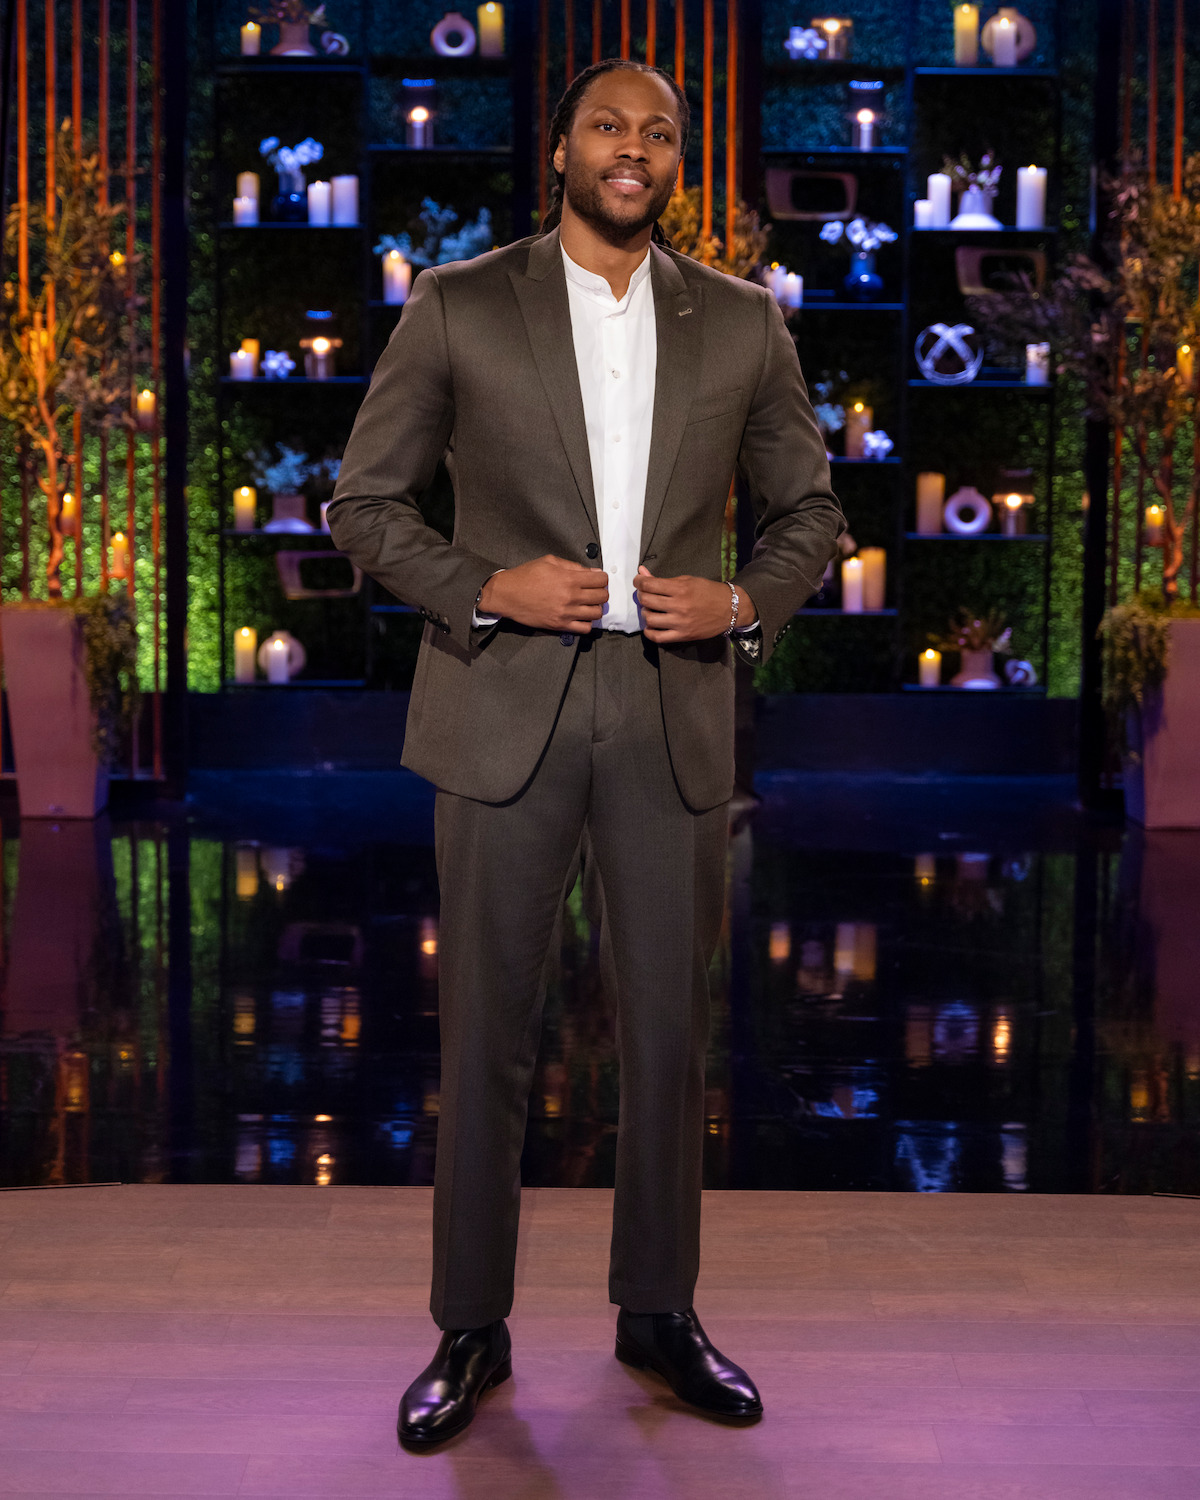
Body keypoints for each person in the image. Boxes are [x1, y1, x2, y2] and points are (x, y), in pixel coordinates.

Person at [327, 57, 844, 1446]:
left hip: (671, 708)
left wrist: (742, 602)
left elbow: (811, 515)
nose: (634, 149)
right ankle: (469, 1330)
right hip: (503, 701)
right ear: (560, 147)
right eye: (610, 126)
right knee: (489, 1028)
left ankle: (658, 1312)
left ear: (677, 162)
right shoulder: (459, 304)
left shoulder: (742, 321)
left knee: (670, 1036)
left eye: (659, 133)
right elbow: (364, 504)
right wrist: (484, 585)